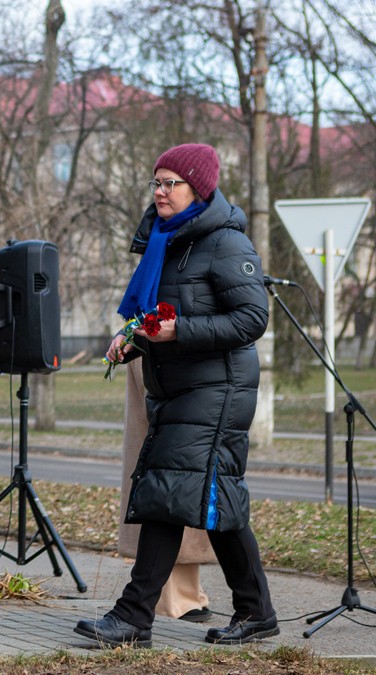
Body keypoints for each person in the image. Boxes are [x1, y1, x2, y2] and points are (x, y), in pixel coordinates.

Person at [75, 143, 277, 648]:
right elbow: (159, 315)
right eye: (156, 182)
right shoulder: (170, 242)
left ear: (199, 189)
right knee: (215, 501)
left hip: (218, 389)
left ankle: (133, 617)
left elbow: (252, 319)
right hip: (179, 388)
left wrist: (178, 332)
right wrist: (134, 338)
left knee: (168, 494)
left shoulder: (225, 243)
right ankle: (257, 612)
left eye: (171, 183)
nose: (161, 192)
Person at [119, 358, 216, 624]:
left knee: (178, 475)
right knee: (170, 474)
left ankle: (179, 593)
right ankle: (172, 597)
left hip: (172, 343)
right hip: (163, 342)